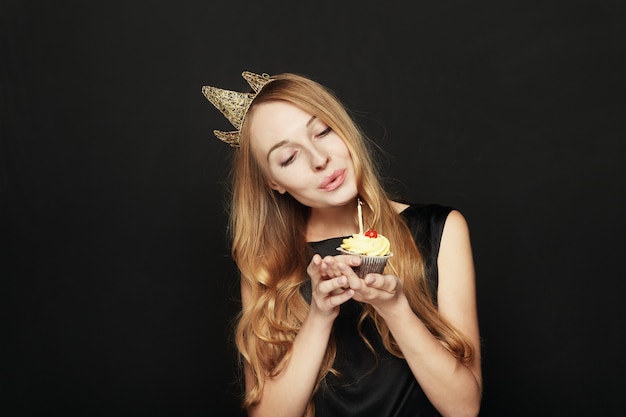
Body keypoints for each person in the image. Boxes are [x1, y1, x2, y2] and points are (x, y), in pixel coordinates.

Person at [202, 71, 482, 417]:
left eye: (322, 131)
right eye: (288, 158)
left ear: (342, 125)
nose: (319, 159)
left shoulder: (441, 229)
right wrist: (319, 316)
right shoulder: (266, 265)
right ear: (274, 182)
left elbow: (464, 408)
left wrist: (396, 310)